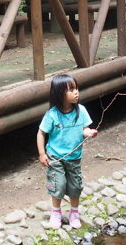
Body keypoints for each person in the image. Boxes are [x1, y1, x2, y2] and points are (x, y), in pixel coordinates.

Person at [36, 73, 97, 229]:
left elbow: (84, 129)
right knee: (58, 185)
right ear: (59, 93)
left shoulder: (81, 111)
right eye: (71, 90)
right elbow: (41, 133)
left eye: (76, 88)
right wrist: (42, 154)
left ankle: (74, 213)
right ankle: (56, 212)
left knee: (75, 186)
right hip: (55, 158)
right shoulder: (52, 115)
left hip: (74, 157)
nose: (76, 92)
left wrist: (89, 133)